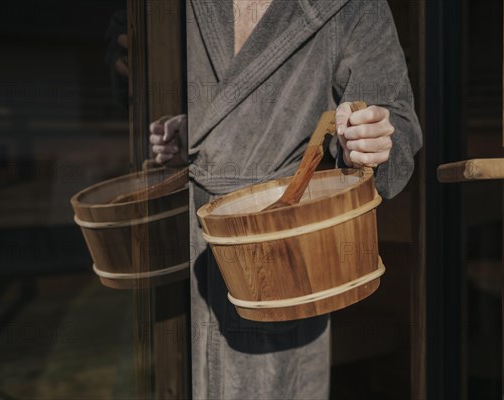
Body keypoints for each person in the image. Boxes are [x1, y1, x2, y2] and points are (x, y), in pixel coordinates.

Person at [150, 1, 423, 398]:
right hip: (175, 258)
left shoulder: (353, 6)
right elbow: (128, 56)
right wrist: (187, 129)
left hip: (281, 252)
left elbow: (393, 117)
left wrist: (372, 139)